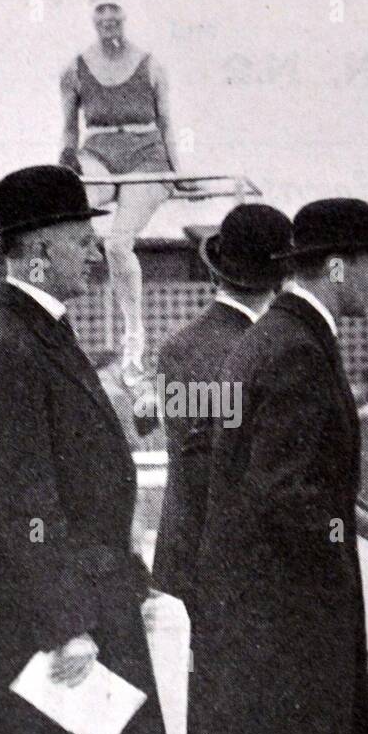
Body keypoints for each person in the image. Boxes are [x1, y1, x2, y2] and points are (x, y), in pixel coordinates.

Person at [0, 165, 173, 734]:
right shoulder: (5, 345)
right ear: (39, 251)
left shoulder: (38, 330)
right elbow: (22, 500)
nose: (95, 251)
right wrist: (66, 625)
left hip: (72, 608)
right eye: (82, 238)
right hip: (45, 633)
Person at [184, 198, 368, 734]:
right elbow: (281, 492)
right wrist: (339, 559)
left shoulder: (270, 336)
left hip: (255, 650)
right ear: (336, 267)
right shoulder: (297, 349)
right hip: (288, 655)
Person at [152, 203, 290, 606]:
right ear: (279, 281)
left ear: (217, 271)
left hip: (185, 554)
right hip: (245, 569)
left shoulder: (177, 347)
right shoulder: (269, 350)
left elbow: (192, 455)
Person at [60, 0, 185, 386]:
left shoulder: (149, 64)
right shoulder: (75, 70)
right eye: (101, 9)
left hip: (145, 153)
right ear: (92, 16)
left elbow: (167, 122)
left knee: (116, 242)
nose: (108, 16)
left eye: (114, 8)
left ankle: (134, 337)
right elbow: (68, 134)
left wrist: (177, 173)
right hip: (98, 152)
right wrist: (60, 175)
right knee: (69, 213)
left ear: (124, 15)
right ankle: (58, 318)